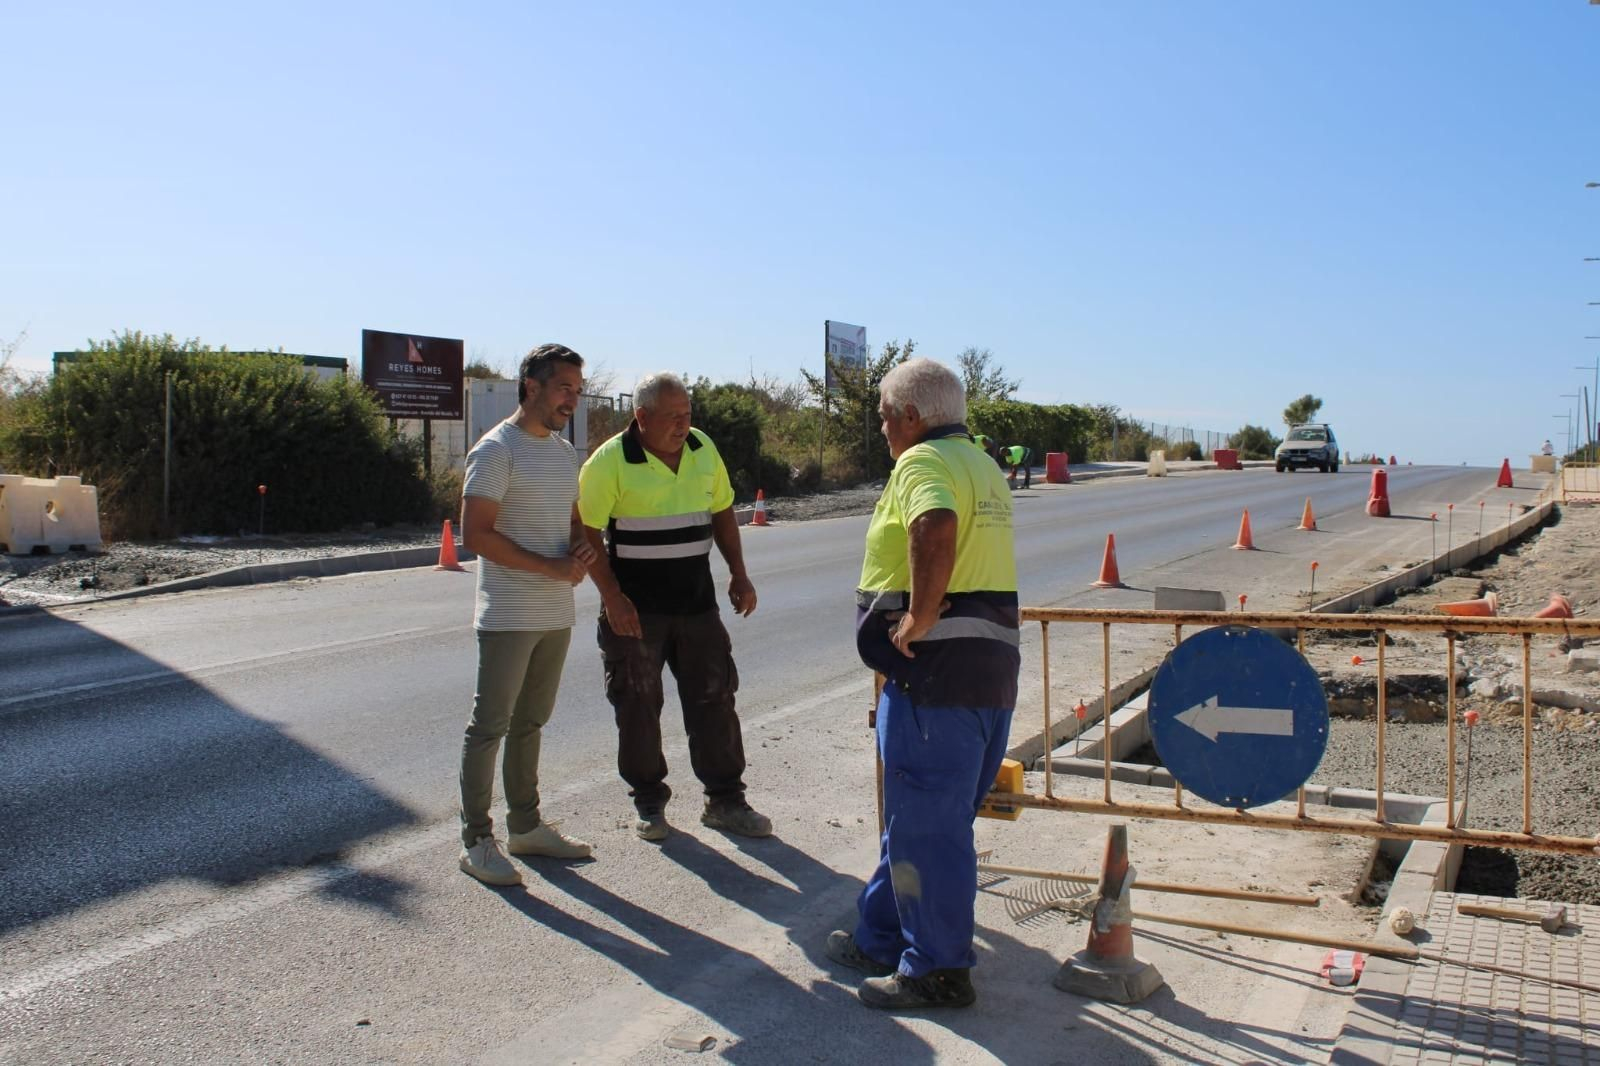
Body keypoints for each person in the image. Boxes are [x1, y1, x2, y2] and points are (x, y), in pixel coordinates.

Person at [827, 357, 1020, 1010]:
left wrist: (919, 614)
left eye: (884, 417)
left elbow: (932, 526)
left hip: (935, 679)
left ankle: (937, 970)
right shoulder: (982, 464)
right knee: (919, 819)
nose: (883, 431)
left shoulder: (922, 464)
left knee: (930, 828)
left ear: (911, 417)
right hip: (985, 675)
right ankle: (882, 933)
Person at [578, 372, 772, 842]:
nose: (685, 424)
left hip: (697, 606)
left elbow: (722, 511)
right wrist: (612, 598)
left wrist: (739, 574)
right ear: (641, 417)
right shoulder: (609, 462)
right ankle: (649, 804)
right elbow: (585, 534)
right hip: (635, 613)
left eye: (688, 414)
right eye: (674, 417)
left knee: (715, 700)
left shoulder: (703, 449)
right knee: (638, 707)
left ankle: (726, 801)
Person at [457, 343, 597, 887]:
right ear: (531, 386)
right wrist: (549, 565)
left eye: (577, 391)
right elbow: (475, 535)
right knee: (489, 726)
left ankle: (526, 827)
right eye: (564, 388)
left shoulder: (566, 455)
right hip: (508, 614)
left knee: (531, 723)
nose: (572, 400)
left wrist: (579, 549)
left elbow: (571, 524)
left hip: (554, 611)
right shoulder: (495, 451)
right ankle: (475, 840)